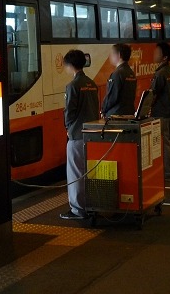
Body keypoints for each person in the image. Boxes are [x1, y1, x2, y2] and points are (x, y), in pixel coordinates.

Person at [60, 49, 99, 220]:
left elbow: (69, 112)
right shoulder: (92, 84)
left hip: (76, 135)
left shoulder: (72, 86)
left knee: (76, 173)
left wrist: (68, 128)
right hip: (92, 134)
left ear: (70, 65)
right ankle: (92, 204)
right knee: (89, 171)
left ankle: (77, 209)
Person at [150, 42, 170, 181]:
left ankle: (168, 172)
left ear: (164, 57)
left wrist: (147, 107)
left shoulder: (160, 74)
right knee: (165, 141)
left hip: (161, 113)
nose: (154, 54)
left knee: (162, 143)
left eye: (157, 52)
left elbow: (153, 94)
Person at [101, 43, 137, 118]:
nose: (110, 57)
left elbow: (112, 96)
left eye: (112, 54)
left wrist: (103, 110)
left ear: (119, 55)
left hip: (116, 116)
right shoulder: (131, 72)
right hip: (129, 113)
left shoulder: (117, 74)